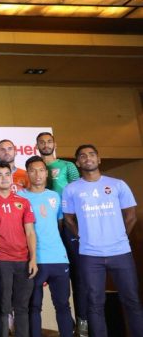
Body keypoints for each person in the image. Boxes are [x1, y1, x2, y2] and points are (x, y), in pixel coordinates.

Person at [63, 144, 143, 337]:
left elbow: (131, 216)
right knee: (95, 302)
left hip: (120, 252)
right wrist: (82, 236)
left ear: (98, 159)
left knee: (131, 299)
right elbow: (68, 219)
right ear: (78, 162)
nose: (87, 158)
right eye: (82, 156)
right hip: (90, 255)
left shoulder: (118, 184)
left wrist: (120, 235)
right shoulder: (71, 189)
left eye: (91, 154)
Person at [36, 131, 86, 335]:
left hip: (69, 223)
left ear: (54, 143)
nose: (46, 145)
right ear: (37, 145)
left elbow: (79, 191)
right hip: (46, 227)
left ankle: (83, 321)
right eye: (42, 142)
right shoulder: (35, 168)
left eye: (49, 141)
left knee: (78, 274)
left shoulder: (67, 166)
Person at [17, 156, 73, 337]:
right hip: (34, 260)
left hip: (58, 258)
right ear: (27, 174)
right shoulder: (20, 197)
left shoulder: (54, 196)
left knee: (63, 305)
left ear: (46, 172)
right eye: (33, 170)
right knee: (34, 307)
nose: (37, 174)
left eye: (41, 170)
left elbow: (58, 225)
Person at [0, 160, 37, 337]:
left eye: (7, 174)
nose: (4, 178)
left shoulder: (23, 202)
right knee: (3, 307)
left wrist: (33, 258)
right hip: (1, 260)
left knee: (22, 307)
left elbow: (30, 232)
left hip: (23, 260)